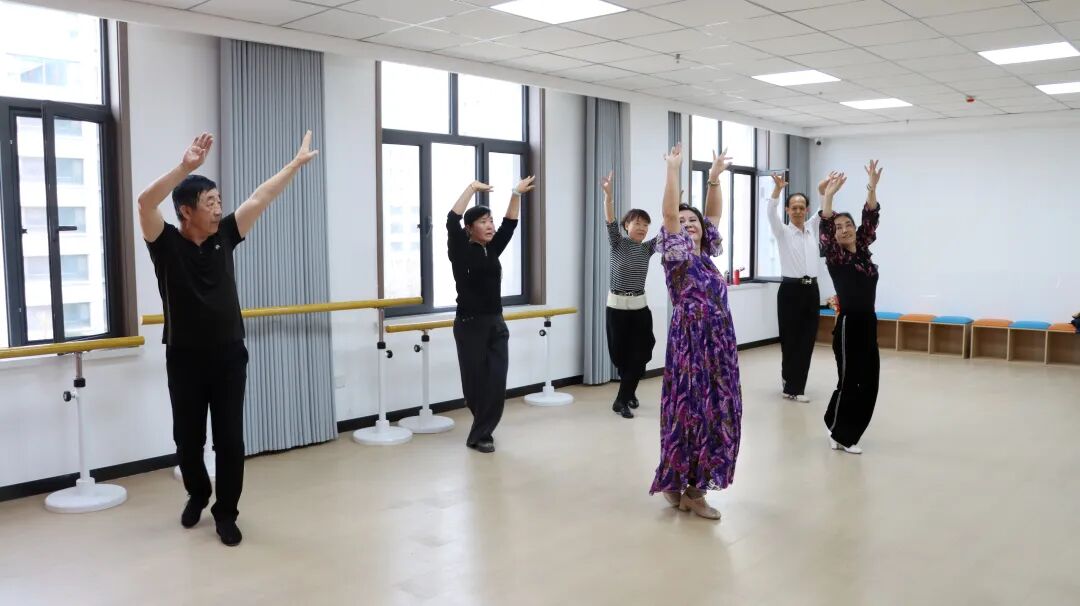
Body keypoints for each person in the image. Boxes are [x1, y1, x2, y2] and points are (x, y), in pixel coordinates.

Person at [138, 131, 319, 546]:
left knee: (230, 441)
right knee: (188, 441)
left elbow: (260, 198)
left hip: (229, 356)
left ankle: (226, 512)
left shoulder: (224, 235)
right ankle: (198, 493)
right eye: (210, 202)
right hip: (184, 358)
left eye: (219, 200)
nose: (218, 208)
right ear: (186, 211)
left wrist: (294, 165)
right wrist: (185, 167)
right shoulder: (165, 244)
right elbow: (145, 203)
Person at [649, 144, 742, 521]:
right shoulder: (677, 256)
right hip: (691, 346)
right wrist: (673, 170)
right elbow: (669, 213)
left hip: (719, 347)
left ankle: (683, 488)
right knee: (691, 412)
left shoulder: (705, 255)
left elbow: (713, 212)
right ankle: (689, 490)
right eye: (683, 220)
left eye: (694, 221)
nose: (687, 223)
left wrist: (714, 178)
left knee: (715, 413)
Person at [448, 176, 536, 454]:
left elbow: (510, 224)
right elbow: (451, 219)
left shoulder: (492, 250)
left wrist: (516, 194)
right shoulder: (460, 251)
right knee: (474, 385)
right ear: (469, 228)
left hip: (496, 323)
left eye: (490, 221)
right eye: (483, 221)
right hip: (469, 325)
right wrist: (471, 189)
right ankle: (481, 427)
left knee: (496, 381)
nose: (490, 226)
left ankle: (481, 434)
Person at [818, 160, 883, 455]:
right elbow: (825, 225)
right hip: (848, 325)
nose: (843, 230)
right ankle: (841, 434)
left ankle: (834, 421)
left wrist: (872, 187)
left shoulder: (863, 252)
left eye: (848, 225)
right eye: (838, 227)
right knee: (850, 380)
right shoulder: (837, 258)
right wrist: (828, 196)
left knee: (869, 381)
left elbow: (871, 217)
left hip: (868, 323)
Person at [765, 172, 833, 403]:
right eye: (793, 207)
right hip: (790, 291)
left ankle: (795, 385)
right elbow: (770, 213)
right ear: (787, 210)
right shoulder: (782, 231)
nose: (797, 210)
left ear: (806, 210)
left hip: (811, 291)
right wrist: (777, 190)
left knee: (807, 340)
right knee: (790, 339)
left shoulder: (812, 227)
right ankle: (791, 386)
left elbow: (824, 210)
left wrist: (822, 190)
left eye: (801, 207)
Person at [600, 170, 657, 419]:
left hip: (639, 308)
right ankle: (629, 392)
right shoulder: (618, 242)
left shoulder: (648, 248)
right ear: (627, 226)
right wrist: (608, 197)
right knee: (620, 355)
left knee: (642, 352)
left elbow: (669, 230)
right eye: (637, 223)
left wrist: (674, 208)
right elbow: (610, 219)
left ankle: (621, 400)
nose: (642, 228)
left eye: (646, 225)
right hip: (616, 308)